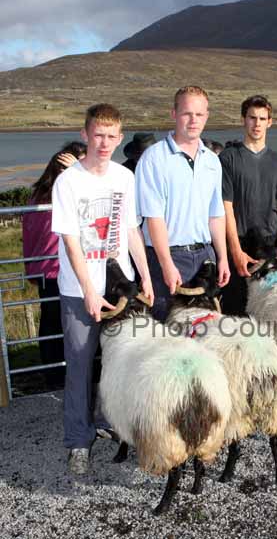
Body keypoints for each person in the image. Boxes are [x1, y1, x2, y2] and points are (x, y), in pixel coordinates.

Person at [51, 104, 152, 475]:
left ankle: (116, 424)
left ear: (120, 138)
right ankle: (78, 440)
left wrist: (145, 276)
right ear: (85, 135)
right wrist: (89, 290)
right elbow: (71, 240)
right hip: (80, 291)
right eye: (98, 135)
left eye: (112, 136)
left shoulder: (125, 177)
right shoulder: (69, 182)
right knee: (79, 363)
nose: (105, 142)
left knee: (120, 361)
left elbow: (130, 229)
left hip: (120, 287)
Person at [136, 86, 230, 321]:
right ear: (174, 114)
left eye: (199, 114)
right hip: (167, 258)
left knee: (207, 332)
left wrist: (223, 257)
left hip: (204, 258)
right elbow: (153, 217)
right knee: (167, 334)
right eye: (187, 113)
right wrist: (167, 264)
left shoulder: (212, 161)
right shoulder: (154, 158)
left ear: (207, 116)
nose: (193, 120)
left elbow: (216, 214)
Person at [219, 95, 277, 315]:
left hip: (272, 246)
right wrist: (235, 251)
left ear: (270, 122)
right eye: (252, 118)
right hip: (240, 245)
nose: (257, 123)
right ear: (244, 119)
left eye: (262, 118)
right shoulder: (228, 158)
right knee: (236, 312)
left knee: (274, 313)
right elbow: (226, 208)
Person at [23, 142, 86, 390]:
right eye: (79, 165)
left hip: (45, 269)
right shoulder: (63, 194)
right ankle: (64, 375)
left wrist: (30, 267)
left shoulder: (37, 195)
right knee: (66, 322)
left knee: (51, 322)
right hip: (61, 268)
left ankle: (54, 375)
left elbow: (28, 235)